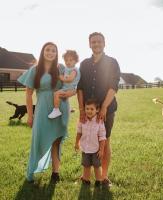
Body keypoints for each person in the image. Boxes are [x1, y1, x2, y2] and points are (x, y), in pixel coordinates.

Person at [17, 42, 75, 183]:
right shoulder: (35, 70)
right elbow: (28, 95)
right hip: (42, 109)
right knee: (38, 140)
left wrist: (68, 95)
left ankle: (55, 173)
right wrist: (30, 115)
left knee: (57, 141)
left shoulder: (61, 68)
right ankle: (32, 170)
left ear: (56, 53)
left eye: (53, 50)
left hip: (60, 108)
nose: (50, 53)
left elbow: (71, 86)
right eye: (48, 50)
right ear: (43, 52)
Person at [77, 32, 120, 186]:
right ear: (89, 44)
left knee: (104, 141)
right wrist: (81, 109)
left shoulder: (112, 62)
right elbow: (80, 88)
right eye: (93, 42)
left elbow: (113, 86)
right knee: (87, 140)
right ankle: (86, 176)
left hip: (106, 110)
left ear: (104, 43)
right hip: (87, 112)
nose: (96, 44)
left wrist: (104, 108)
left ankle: (103, 177)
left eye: (99, 41)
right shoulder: (84, 64)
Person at [75, 99, 106, 186]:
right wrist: (76, 143)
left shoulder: (99, 122)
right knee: (86, 165)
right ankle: (86, 180)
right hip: (85, 148)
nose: (89, 111)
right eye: (87, 109)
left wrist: (101, 150)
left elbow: (102, 137)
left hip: (96, 149)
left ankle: (98, 181)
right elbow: (79, 132)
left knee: (97, 166)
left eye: (92, 109)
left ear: (97, 110)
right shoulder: (82, 120)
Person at [48, 50, 80, 119]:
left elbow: (69, 79)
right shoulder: (67, 68)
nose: (68, 62)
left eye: (71, 60)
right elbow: (63, 73)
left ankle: (56, 110)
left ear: (76, 61)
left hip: (69, 88)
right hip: (66, 88)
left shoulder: (74, 70)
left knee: (56, 94)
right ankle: (67, 108)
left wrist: (60, 77)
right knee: (59, 95)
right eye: (66, 60)